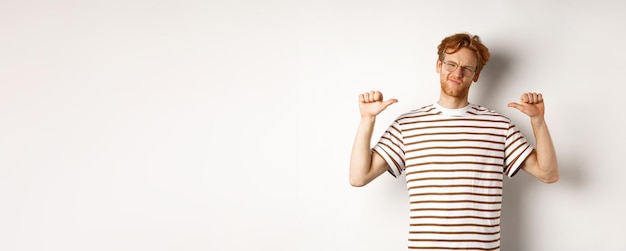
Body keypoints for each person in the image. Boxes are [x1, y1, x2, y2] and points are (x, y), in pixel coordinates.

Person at [349, 33, 559, 250]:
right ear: (439, 65)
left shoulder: (499, 126)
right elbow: (358, 177)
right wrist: (367, 120)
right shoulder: (407, 125)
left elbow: (548, 173)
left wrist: (538, 121)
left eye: (467, 68)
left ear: (476, 75)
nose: (457, 73)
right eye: (451, 64)